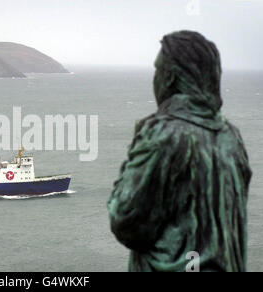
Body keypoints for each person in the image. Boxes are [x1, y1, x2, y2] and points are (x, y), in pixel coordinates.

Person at [107, 31, 252, 272]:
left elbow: (126, 223)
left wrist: (137, 148)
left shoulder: (162, 134)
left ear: (169, 77)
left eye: (157, 70)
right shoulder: (231, 137)